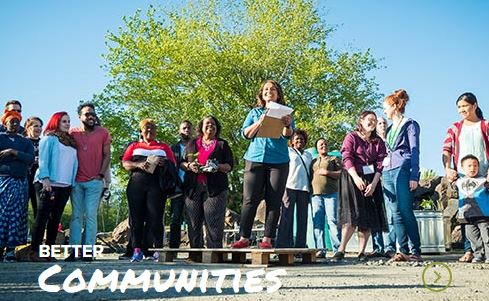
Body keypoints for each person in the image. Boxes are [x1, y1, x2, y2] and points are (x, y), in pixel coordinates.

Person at [232, 80, 294, 249]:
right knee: (249, 199)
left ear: (278, 94)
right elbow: (245, 133)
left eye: (273, 89)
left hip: (278, 162)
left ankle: (267, 239)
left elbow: (288, 135)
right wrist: (260, 121)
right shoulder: (254, 112)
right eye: (266, 89)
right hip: (255, 159)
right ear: (262, 94)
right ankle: (244, 237)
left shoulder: (285, 113)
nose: (269, 91)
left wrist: (287, 125)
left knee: (274, 201)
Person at [332, 111, 387, 262]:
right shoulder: (351, 137)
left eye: (375, 120)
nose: (373, 122)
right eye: (370, 119)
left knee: (367, 216)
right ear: (361, 121)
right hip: (352, 177)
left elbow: (380, 163)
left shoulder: (378, 142)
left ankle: (361, 251)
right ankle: (341, 249)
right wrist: (356, 178)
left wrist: (374, 184)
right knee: (352, 214)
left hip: (371, 179)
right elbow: (347, 157)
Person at [443, 92, 489, 262]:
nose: (462, 110)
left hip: (484, 177)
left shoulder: (485, 125)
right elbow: (446, 150)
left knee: (486, 214)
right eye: (459, 107)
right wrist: (448, 168)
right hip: (463, 178)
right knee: (466, 213)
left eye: (465, 106)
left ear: (475, 105)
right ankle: (469, 250)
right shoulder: (454, 128)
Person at [122, 118, 176, 262]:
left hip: (157, 185)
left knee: (156, 217)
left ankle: (157, 249)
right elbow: (125, 163)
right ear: (141, 130)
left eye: (152, 128)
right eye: (146, 128)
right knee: (136, 218)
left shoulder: (164, 147)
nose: (149, 130)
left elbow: (173, 164)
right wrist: (138, 164)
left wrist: (164, 162)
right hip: (136, 185)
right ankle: (137, 249)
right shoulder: (134, 146)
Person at [66, 103, 111, 261]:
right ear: (80, 117)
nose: (91, 116)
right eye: (87, 114)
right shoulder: (72, 133)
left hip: (94, 181)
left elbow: (107, 155)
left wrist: (101, 175)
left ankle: (88, 251)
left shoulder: (103, 133)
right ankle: (73, 251)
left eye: (92, 113)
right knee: (76, 216)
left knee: (91, 216)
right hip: (76, 181)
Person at [30, 112, 77, 262]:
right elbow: (43, 160)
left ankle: (48, 252)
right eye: (64, 121)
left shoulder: (71, 142)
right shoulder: (49, 138)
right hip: (48, 183)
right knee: (42, 216)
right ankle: (35, 251)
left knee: (55, 219)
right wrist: (45, 179)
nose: (67, 124)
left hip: (65, 184)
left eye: (68, 121)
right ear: (56, 122)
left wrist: (72, 182)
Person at [381, 89, 422, 262]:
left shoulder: (410, 124)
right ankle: (402, 250)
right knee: (395, 213)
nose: (384, 111)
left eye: (385, 108)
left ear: (394, 106)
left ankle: (416, 250)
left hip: (403, 169)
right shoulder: (389, 129)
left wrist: (414, 175)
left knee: (406, 210)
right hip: (387, 171)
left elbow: (414, 150)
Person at [181, 116, 233, 249]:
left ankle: (214, 254)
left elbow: (229, 166)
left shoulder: (222, 144)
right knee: (193, 222)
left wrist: (217, 167)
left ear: (217, 128)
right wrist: (189, 166)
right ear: (201, 127)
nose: (210, 126)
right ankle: (195, 254)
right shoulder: (192, 143)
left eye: (214, 124)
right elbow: (181, 162)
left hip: (215, 189)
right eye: (207, 123)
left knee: (214, 222)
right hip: (192, 188)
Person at [0, 111, 34, 262]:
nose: (14, 124)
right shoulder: (1, 138)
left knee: (16, 216)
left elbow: (30, 159)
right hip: (3, 180)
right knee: (2, 214)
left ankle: (11, 250)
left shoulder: (25, 142)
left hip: (20, 182)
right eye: (11, 121)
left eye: (16, 122)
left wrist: (12, 152)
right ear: (5, 123)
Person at [276, 129, 312, 248]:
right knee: (286, 216)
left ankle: (300, 245)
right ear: (292, 141)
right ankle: (283, 244)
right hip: (289, 186)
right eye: (297, 138)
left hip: (304, 188)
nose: (299, 141)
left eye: (301, 139)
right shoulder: (288, 151)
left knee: (302, 218)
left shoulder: (308, 155)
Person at [310, 137, 342, 258]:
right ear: (316, 148)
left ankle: (337, 249)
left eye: (325, 144)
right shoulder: (313, 161)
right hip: (315, 195)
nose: (323, 146)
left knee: (332, 221)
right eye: (320, 144)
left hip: (331, 194)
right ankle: (320, 249)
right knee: (317, 222)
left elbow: (342, 173)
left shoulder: (334, 159)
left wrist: (327, 172)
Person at [455, 155, 489, 263]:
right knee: (473, 238)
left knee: (487, 237)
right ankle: (478, 255)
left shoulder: (484, 181)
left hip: (483, 215)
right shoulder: (459, 182)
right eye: (469, 166)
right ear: (462, 168)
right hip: (467, 216)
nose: (472, 168)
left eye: (475, 165)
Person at [169, 120, 193, 248]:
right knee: (175, 218)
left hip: (192, 186)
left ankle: (195, 247)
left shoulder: (197, 146)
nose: (186, 130)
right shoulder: (173, 148)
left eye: (189, 128)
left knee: (194, 219)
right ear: (180, 130)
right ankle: (173, 248)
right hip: (176, 187)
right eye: (184, 128)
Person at [368, 116, 389, 258]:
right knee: (376, 213)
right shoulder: (372, 142)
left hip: (391, 178)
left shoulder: (392, 139)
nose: (381, 125)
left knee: (391, 213)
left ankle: (391, 246)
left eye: (383, 123)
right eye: (379, 123)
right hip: (375, 179)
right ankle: (378, 246)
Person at [23, 117, 43, 218]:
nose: (39, 129)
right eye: (35, 126)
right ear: (28, 127)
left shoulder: (44, 142)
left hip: (39, 179)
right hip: (25, 177)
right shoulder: (22, 142)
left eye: (40, 126)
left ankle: (38, 233)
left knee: (39, 209)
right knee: (22, 208)